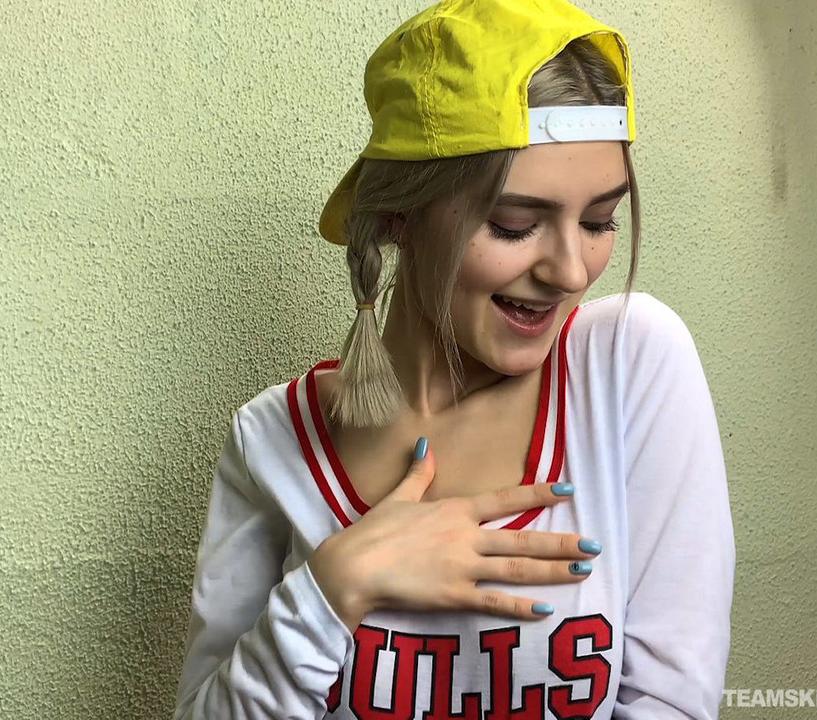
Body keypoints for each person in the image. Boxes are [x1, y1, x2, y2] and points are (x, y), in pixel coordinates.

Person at [173, 0, 735, 717]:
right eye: (515, 225)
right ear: (398, 216)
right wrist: (332, 587)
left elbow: (672, 700)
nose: (571, 270)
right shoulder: (273, 438)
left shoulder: (629, 365)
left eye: (600, 221)